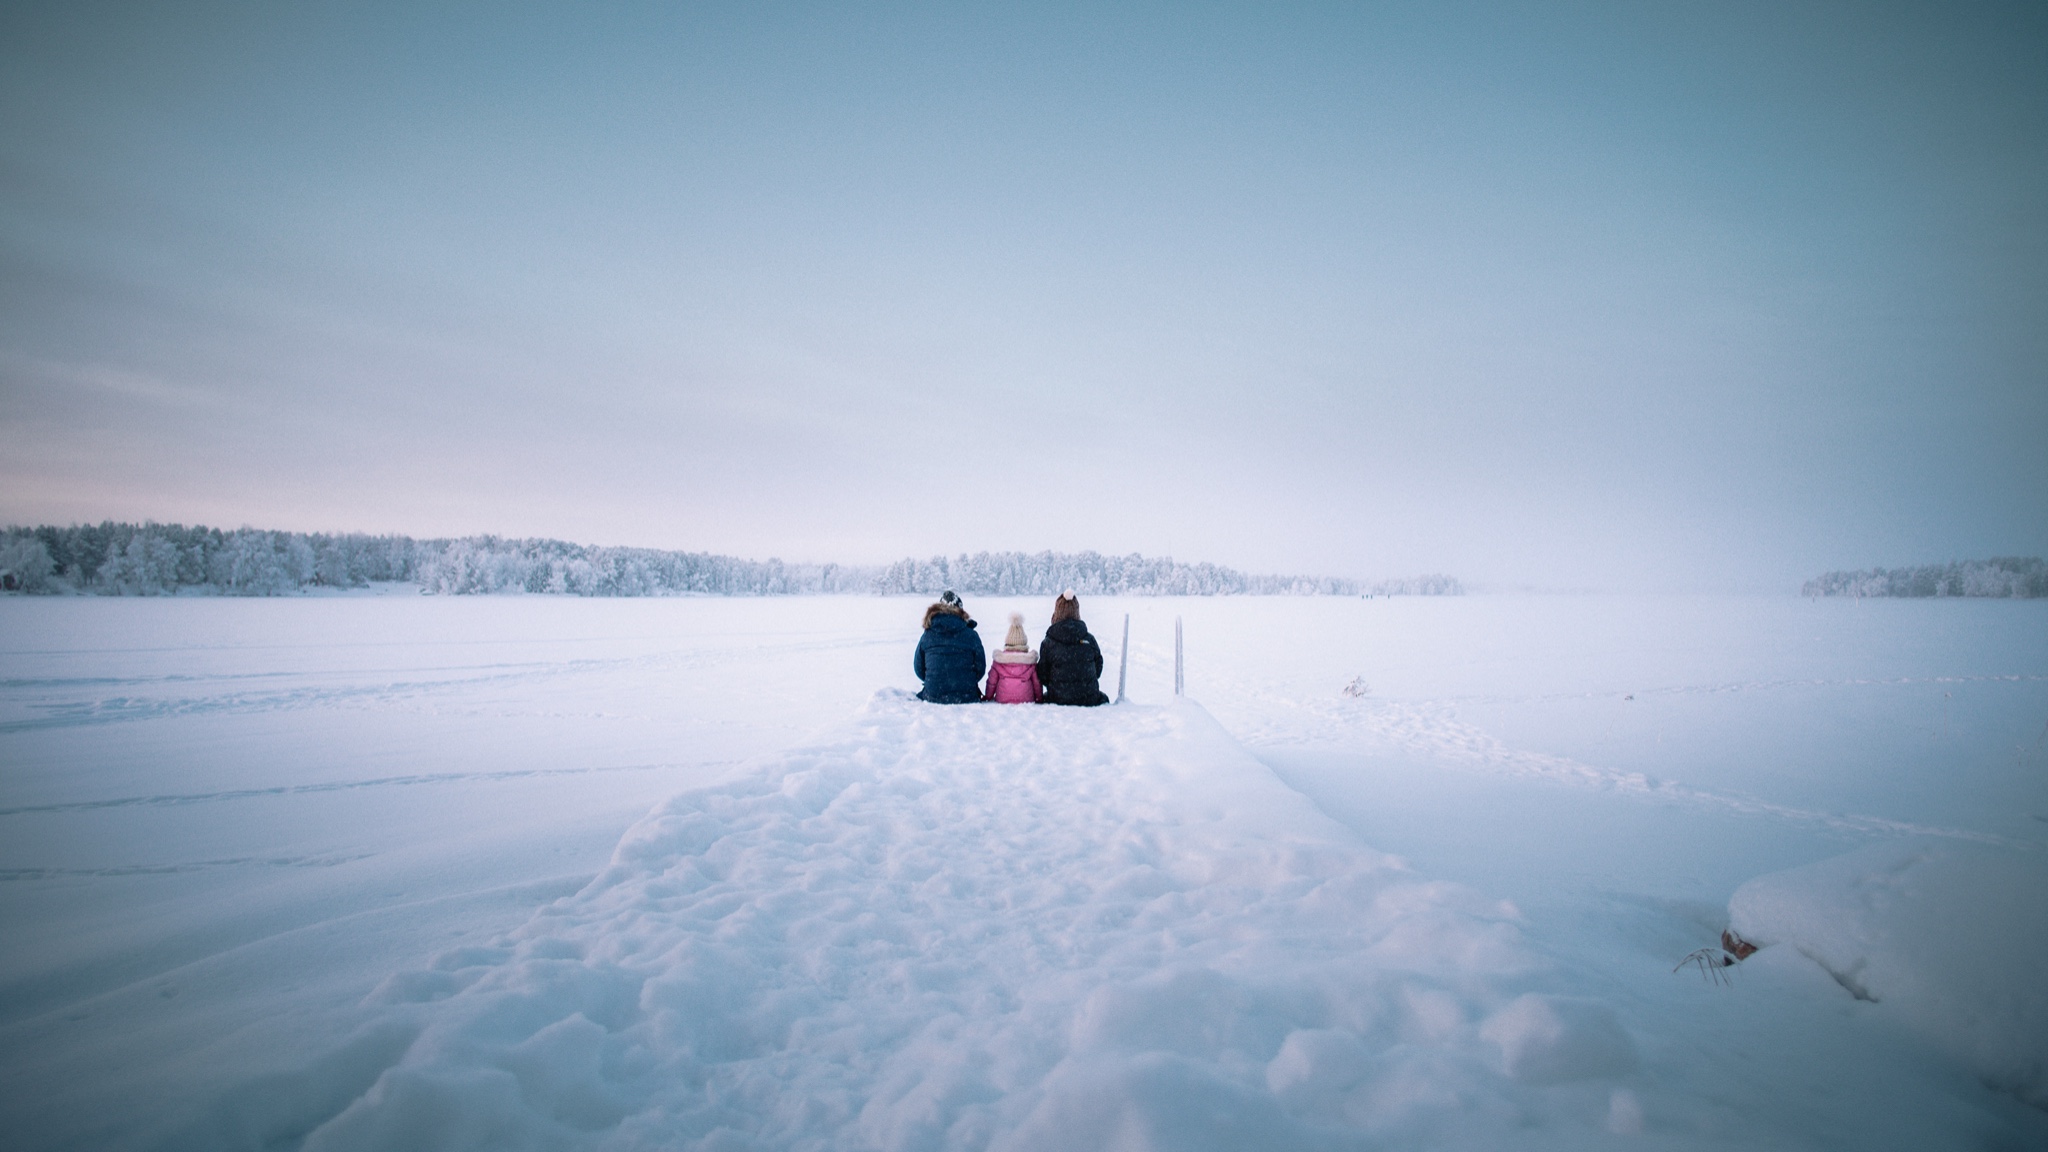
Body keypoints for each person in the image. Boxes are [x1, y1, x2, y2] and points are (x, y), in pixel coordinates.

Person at [1038, 589, 1109, 706]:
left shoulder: (1048, 643)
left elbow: (1043, 674)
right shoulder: (1089, 639)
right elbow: (1098, 668)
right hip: (1089, 698)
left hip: (1057, 698)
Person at [914, 590, 985, 704]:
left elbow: (919, 668)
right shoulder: (971, 635)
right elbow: (980, 668)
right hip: (967, 695)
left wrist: (935, 680)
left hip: (933, 695)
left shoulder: (928, 634)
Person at [983, 613, 1042, 703]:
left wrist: (988, 697)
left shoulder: (999, 660)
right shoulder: (1030, 661)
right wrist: (1039, 698)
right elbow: (1036, 683)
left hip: (1002, 699)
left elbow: (992, 682)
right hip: (1026, 699)